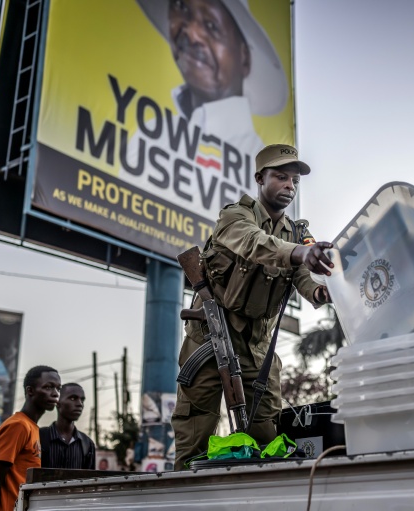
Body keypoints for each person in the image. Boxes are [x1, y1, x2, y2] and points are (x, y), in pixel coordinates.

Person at [171, 143, 333, 469]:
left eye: (294, 181)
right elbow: (252, 242)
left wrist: (320, 293)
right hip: (211, 332)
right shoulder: (235, 216)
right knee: (195, 427)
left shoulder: (297, 233)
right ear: (260, 178)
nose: (289, 186)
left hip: (257, 343)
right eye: (281, 177)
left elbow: (304, 276)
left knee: (267, 436)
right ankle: (185, 494)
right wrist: (299, 253)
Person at [123, 0, 290, 218]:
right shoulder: (151, 132)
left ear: (244, 57)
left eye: (211, 26)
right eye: (181, 8)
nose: (191, 34)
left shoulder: (259, 168)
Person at [0, 366, 60, 511]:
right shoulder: (18, 426)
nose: (55, 394)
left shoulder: (32, 428)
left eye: (58, 388)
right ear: (30, 390)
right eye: (48, 387)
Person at [40, 383, 97, 470]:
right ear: (58, 402)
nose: (80, 404)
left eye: (82, 400)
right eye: (73, 398)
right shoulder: (39, 437)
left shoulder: (87, 444)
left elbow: (90, 481)